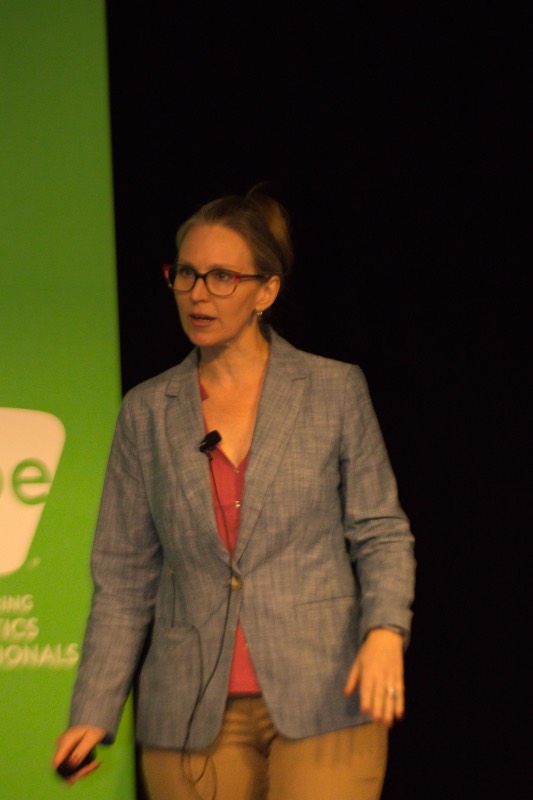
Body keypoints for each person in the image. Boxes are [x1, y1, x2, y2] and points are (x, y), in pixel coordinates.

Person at [53, 188, 415, 800]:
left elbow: (380, 531)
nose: (198, 294)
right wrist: (93, 709)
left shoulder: (333, 390)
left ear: (265, 291)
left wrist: (384, 630)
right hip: (188, 712)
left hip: (324, 693)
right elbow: (123, 578)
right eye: (186, 274)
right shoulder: (147, 411)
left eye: (222, 277)